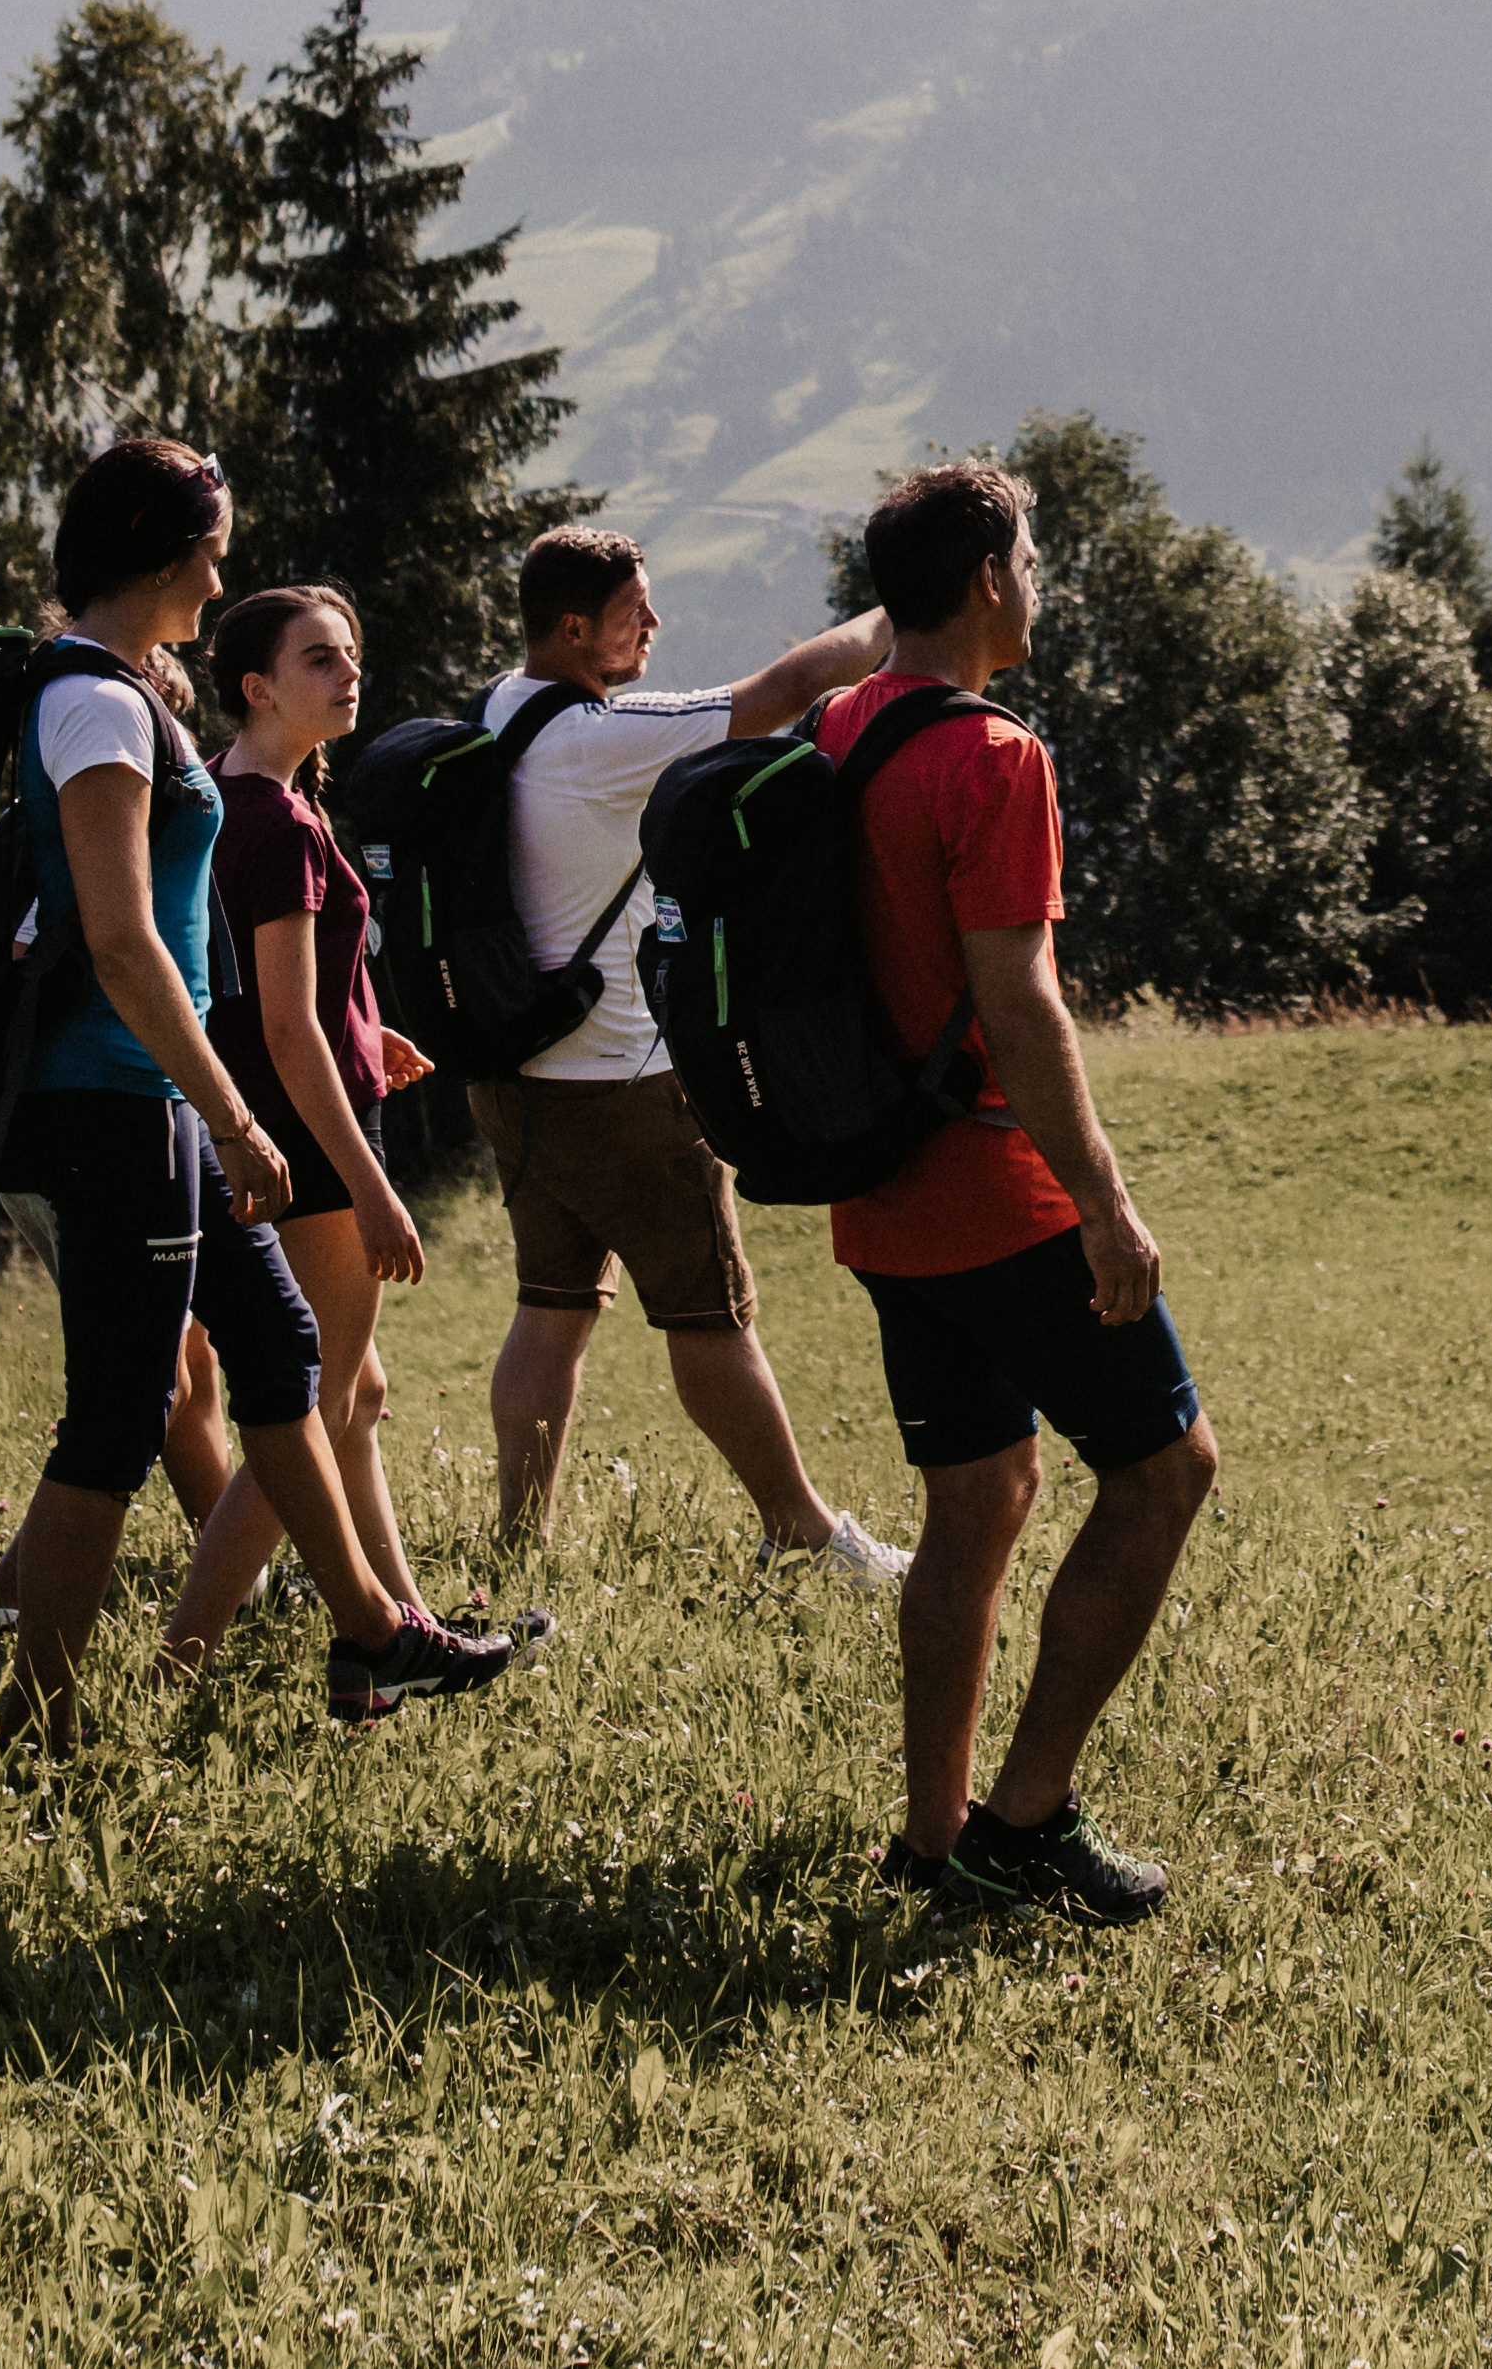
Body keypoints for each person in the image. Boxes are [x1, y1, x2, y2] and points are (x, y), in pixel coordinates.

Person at [0, 437, 524, 1740]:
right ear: (155, 546)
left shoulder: (123, 689)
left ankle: (376, 1635)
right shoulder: (91, 703)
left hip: (152, 1100)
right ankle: (36, 1721)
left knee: (282, 1349)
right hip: (118, 1101)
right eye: (206, 546)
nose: (217, 571)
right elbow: (122, 935)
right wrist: (233, 1111)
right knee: (119, 1415)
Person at [814, 457, 1216, 1925]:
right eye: (1029, 556)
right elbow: (1021, 999)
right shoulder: (992, 755)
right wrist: (1104, 1200)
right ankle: (1023, 1821)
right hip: (994, 1187)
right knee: (1168, 1469)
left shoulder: (842, 729)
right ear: (986, 577)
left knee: (975, 1495)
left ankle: (932, 1835)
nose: (1036, 581)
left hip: (880, 1196)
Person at [464, 525, 910, 1587]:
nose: (654, 627)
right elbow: (782, 689)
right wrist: (897, 614)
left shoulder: (496, 709)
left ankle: (517, 1542)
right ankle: (803, 1533)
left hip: (511, 1078)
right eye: (634, 612)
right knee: (709, 1312)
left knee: (551, 1302)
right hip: (617, 1085)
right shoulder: (597, 738)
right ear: (575, 629)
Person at [147, 581, 438, 1659]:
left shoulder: (221, 797)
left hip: (250, 1129)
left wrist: (368, 1033)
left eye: (350, 651)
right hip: (309, 1147)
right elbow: (283, 1027)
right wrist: (372, 1184)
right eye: (319, 658)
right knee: (302, 1406)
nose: (347, 671)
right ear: (255, 687)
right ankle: (188, 1649)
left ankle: (405, 1620)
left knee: (349, 1392)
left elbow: (272, 996)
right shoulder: (278, 823)